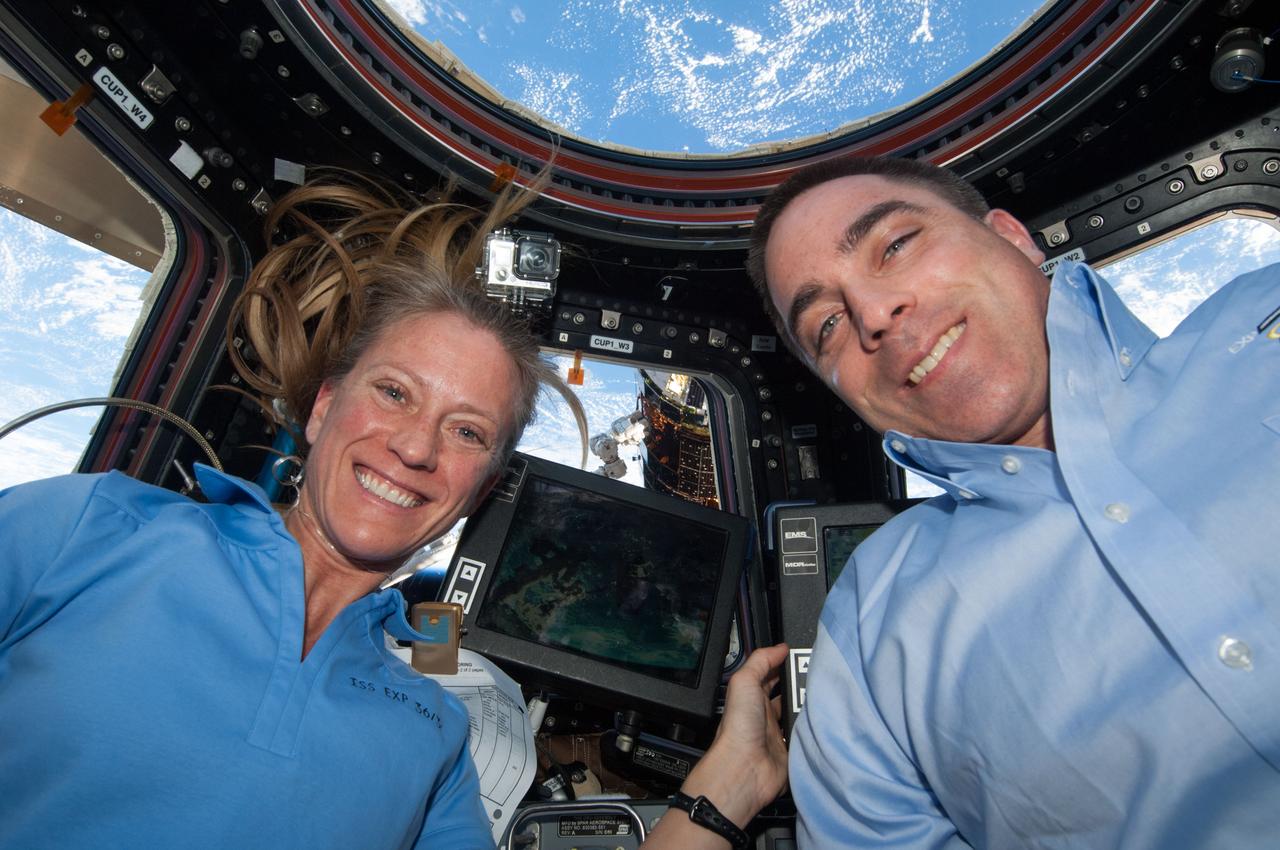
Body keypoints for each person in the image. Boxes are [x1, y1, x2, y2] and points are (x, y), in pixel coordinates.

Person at [0, 174, 788, 850]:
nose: (416, 448)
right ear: (323, 407)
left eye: (467, 430)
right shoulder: (91, 528)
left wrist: (725, 789)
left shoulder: (432, 731)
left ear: (481, 489)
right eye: (394, 392)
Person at [744, 155, 1280, 848]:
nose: (874, 314)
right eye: (827, 327)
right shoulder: (867, 638)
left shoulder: (1257, 324)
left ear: (1014, 237)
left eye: (896, 245)